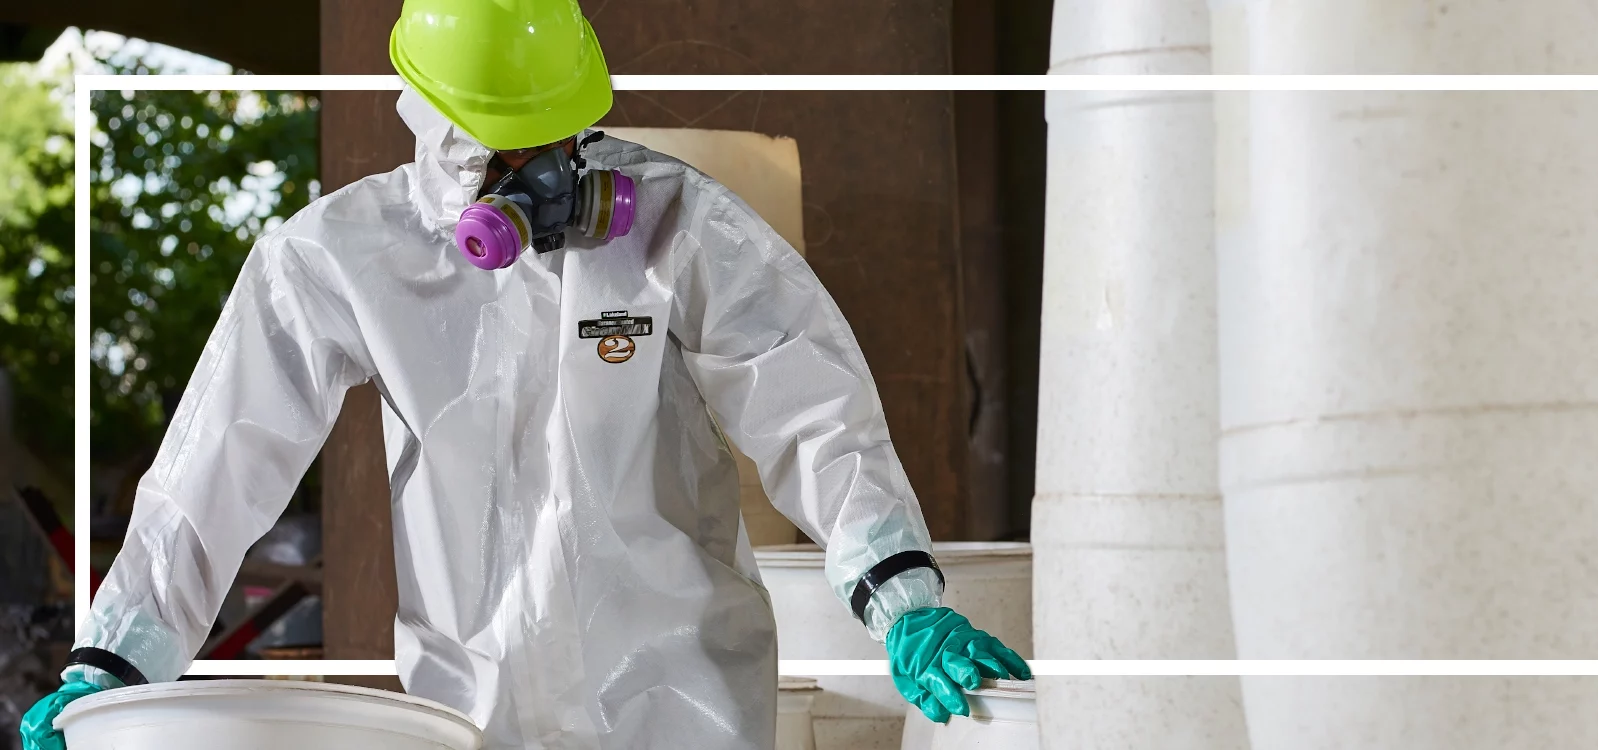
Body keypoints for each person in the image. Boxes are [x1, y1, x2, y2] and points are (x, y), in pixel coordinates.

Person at [18, 1, 1028, 748]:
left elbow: (813, 410)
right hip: (470, 715)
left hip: (680, 711)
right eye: (514, 151)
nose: (551, 175)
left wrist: (901, 597)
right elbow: (216, 467)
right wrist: (114, 662)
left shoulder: (674, 226)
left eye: (562, 137)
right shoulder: (345, 257)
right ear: (438, 128)